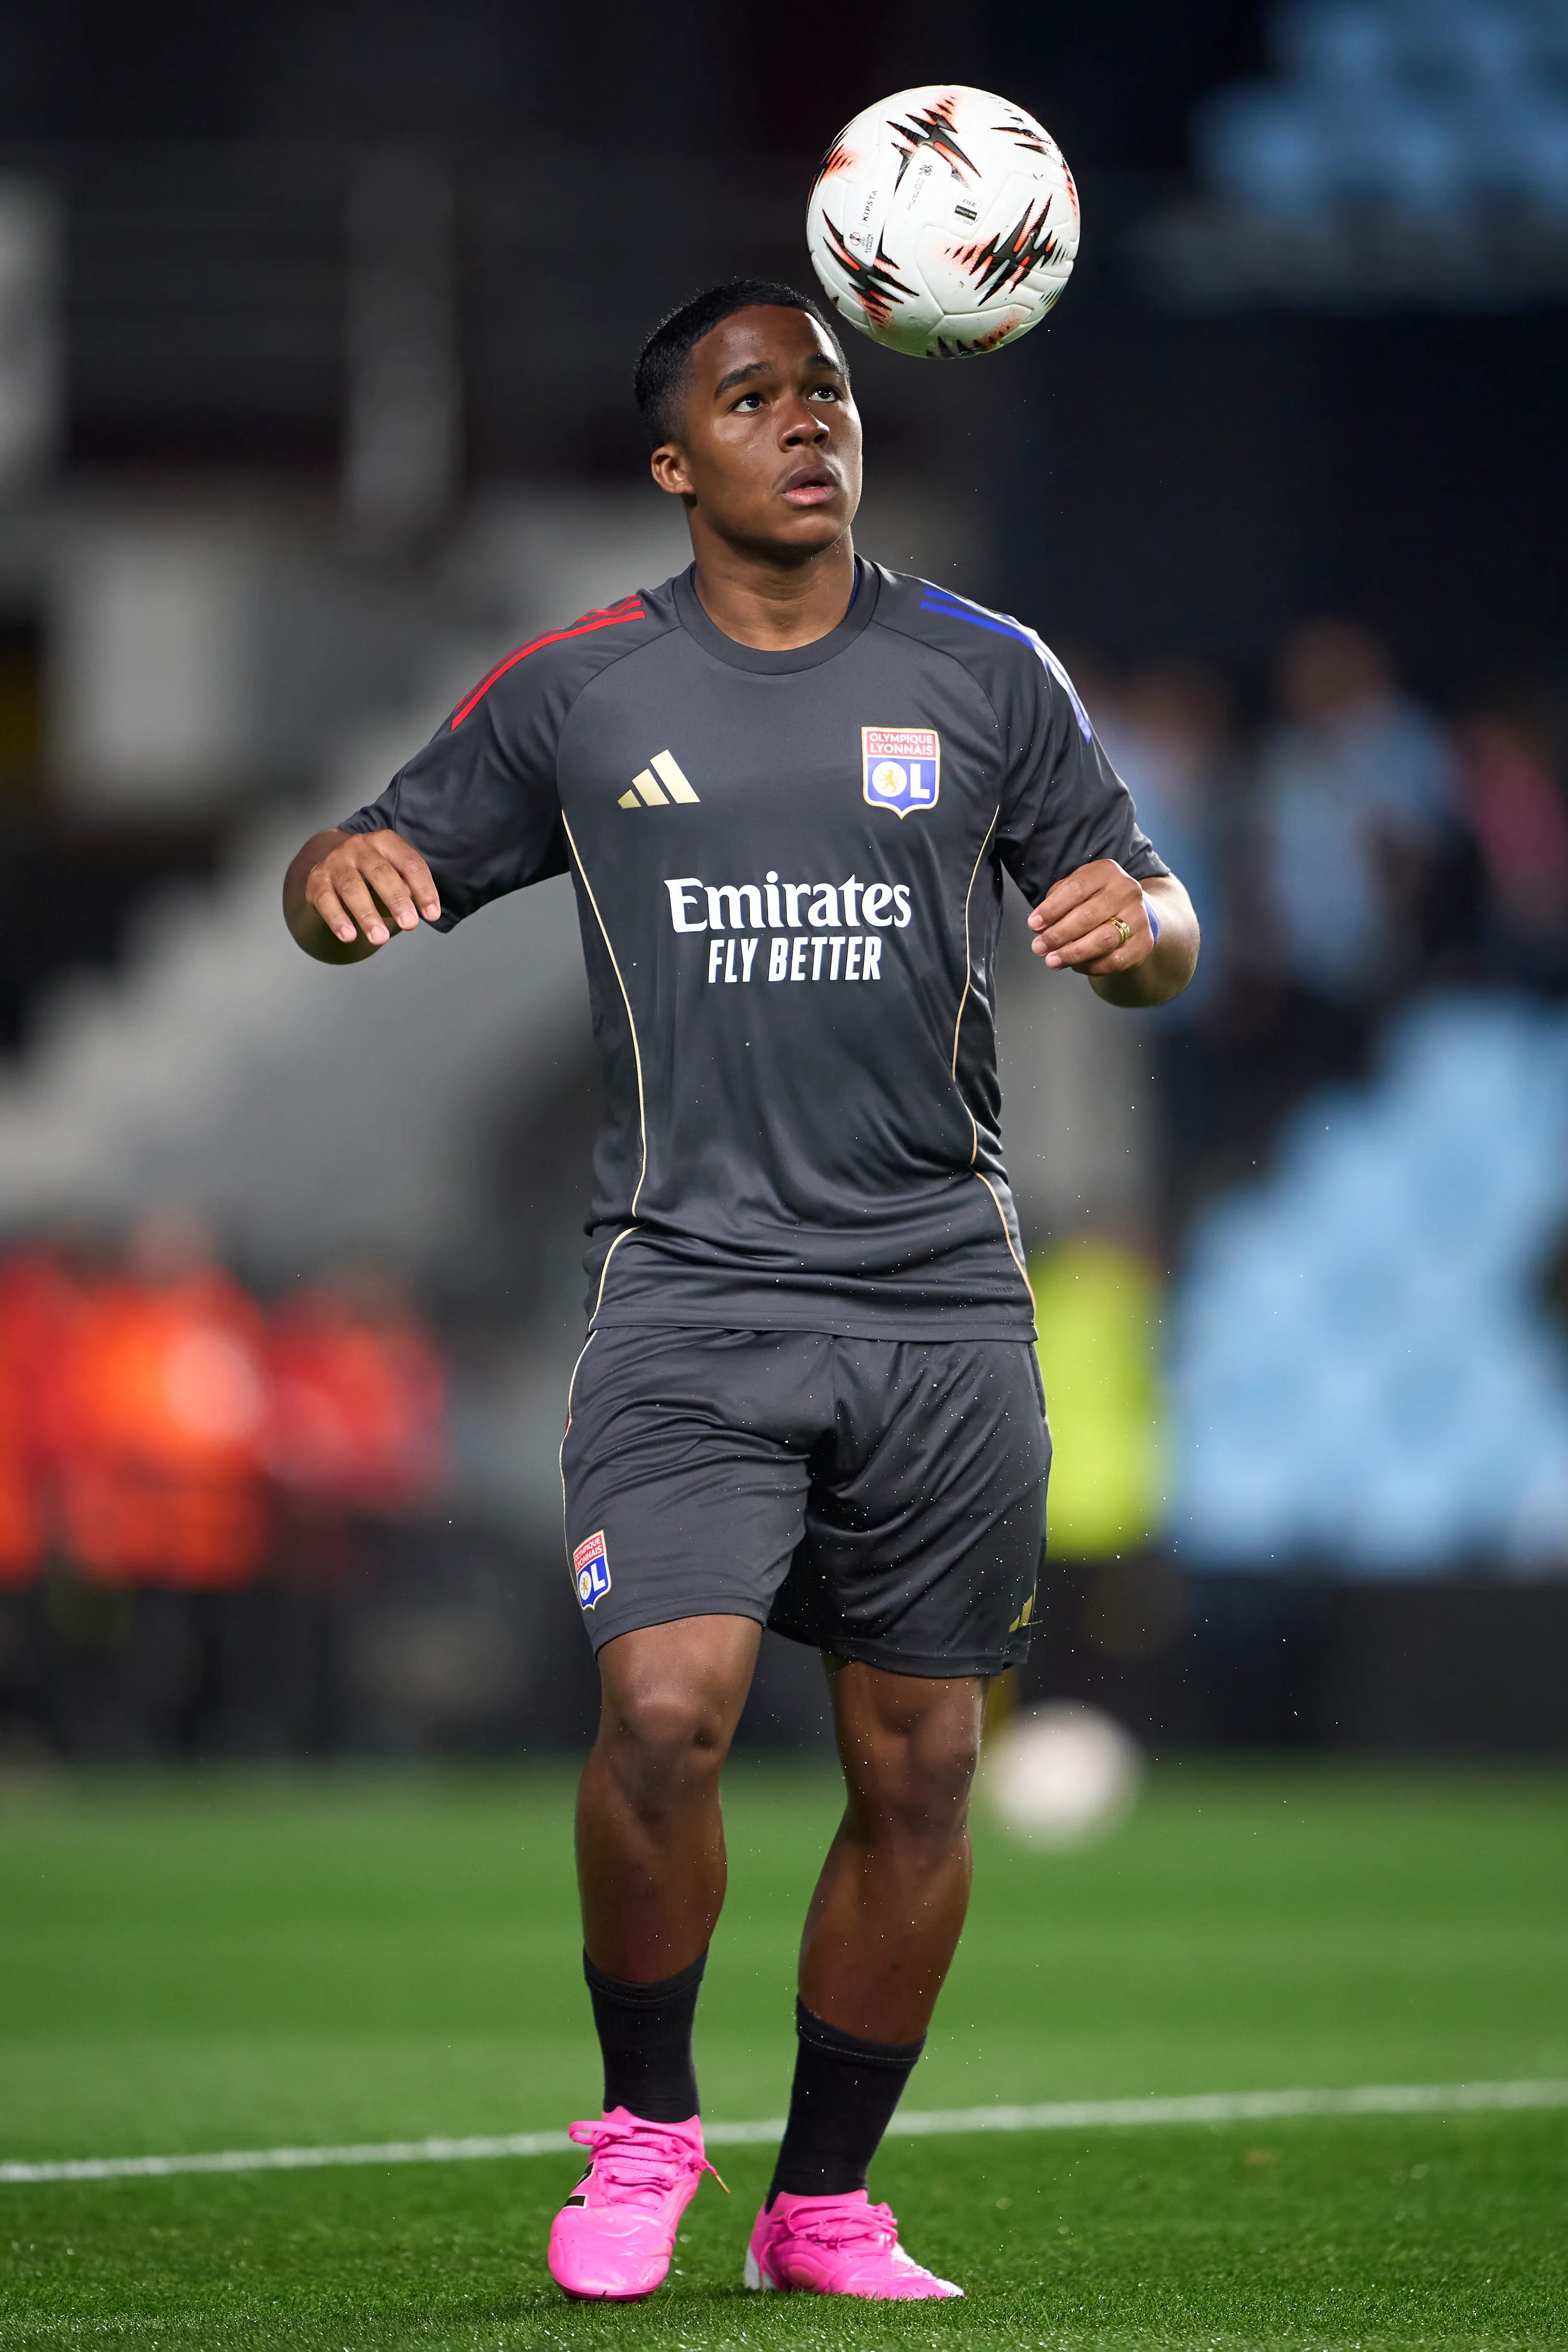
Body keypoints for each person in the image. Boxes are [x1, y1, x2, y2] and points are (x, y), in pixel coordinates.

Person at [282, 280, 1198, 2304]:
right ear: (674, 461)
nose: (809, 423)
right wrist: (337, 891)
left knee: (927, 1768)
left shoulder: (982, 670)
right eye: (754, 397)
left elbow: (1155, 911)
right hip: (689, 1293)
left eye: (834, 393)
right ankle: (645, 2133)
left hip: (944, 1299)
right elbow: (356, 854)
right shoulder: (582, 691)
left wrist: (1139, 932)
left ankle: (825, 2205)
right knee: (668, 1710)